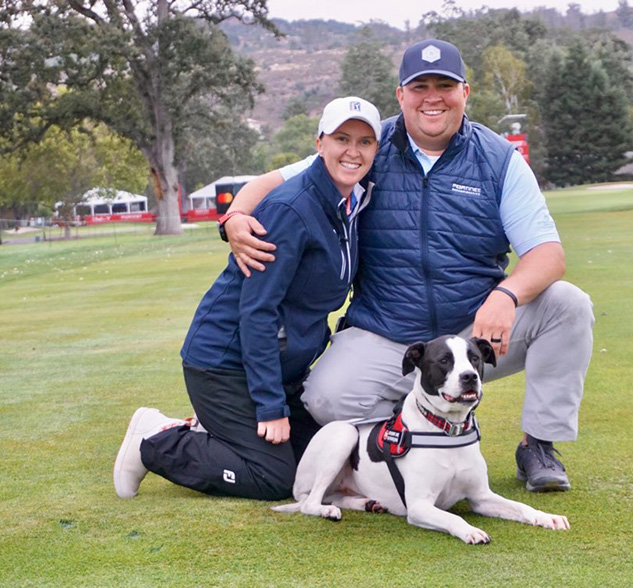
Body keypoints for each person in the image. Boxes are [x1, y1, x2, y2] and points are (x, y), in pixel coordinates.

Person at [222, 39, 595, 492]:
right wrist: (235, 218)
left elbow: (548, 255)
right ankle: (409, 442)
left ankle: (538, 445)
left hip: (474, 333)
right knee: (325, 399)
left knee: (568, 305)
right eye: (420, 86)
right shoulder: (367, 144)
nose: (432, 97)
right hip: (386, 329)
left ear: (465, 92)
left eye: (445, 85)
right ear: (400, 95)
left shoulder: (499, 159)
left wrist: (506, 294)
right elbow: (269, 183)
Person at [113, 96, 382, 500]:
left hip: (276, 367)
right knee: (273, 478)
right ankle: (156, 441)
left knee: (319, 457)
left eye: (365, 142)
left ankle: (212, 429)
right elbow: (257, 313)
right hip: (225, 365)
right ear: (319, 142)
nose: (353, 151)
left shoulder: (349, 204)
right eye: (342, 138)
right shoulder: (292, 208)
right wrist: (271, 407)